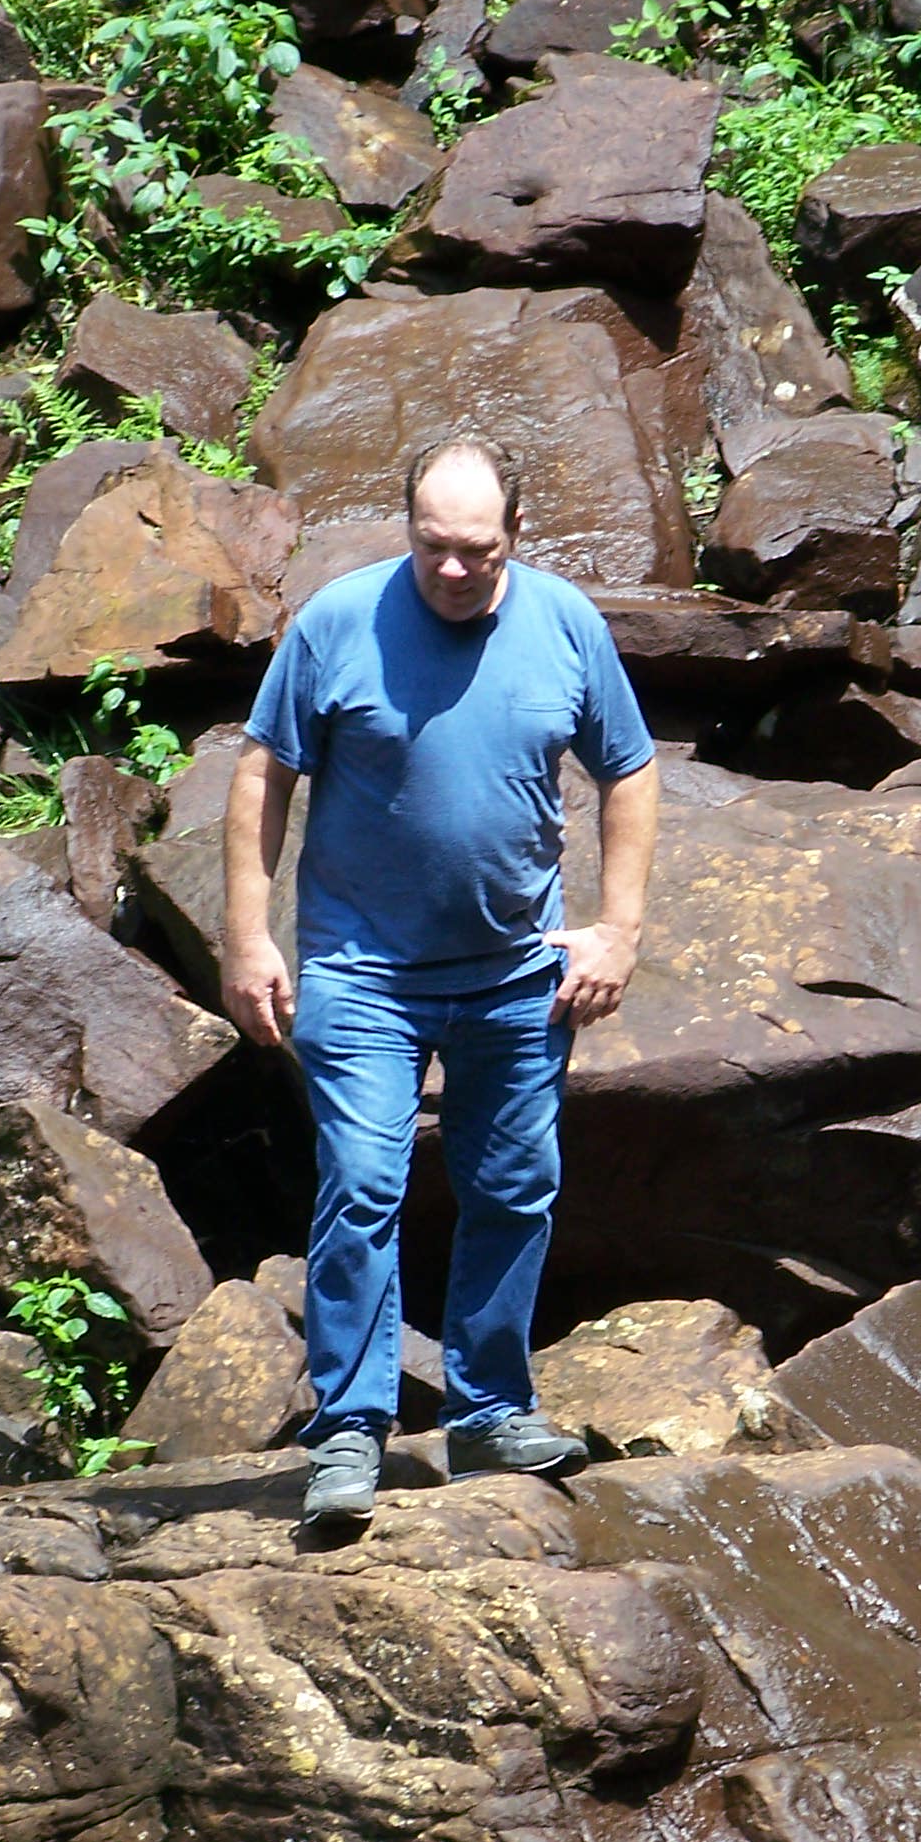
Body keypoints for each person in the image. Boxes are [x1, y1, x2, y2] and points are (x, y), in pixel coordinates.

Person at [220, 435, 661, 1524]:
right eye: (433, 546)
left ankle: (489, 1413)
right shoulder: (340, 622)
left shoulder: (565, 624)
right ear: (406, 527)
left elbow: (629, 768)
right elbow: (264, 771)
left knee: (514, 1185)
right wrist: (246, 936)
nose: (453, 569)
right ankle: (348, 1433)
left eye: (477, 550)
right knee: (364, 1181)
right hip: (362, 969)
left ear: (517, 532)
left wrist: (618, 930)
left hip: (516, 972)